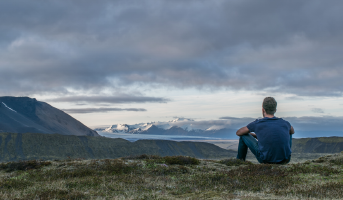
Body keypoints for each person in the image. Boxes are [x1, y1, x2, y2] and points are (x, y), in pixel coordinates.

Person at [236, 97, 295, 164]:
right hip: (285, 159)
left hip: (265, 160)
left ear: (263, 109)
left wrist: (250, 134)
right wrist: (258, 136)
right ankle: (284, 155)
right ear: (275, 110)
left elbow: (238, 132)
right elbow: (292, 131)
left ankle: (239, 162)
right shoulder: (285, 123)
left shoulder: (257, 123)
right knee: (289, 132)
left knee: (243, 135)